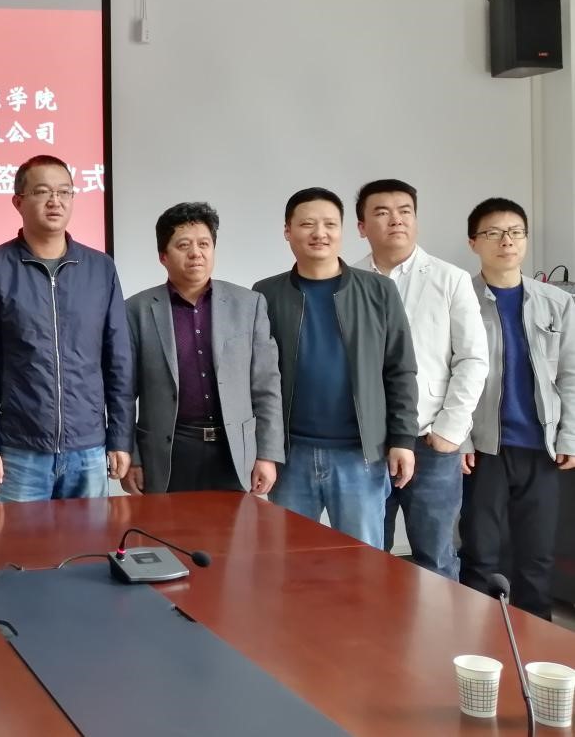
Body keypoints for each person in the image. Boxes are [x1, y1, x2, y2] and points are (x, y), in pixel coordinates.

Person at [252, 187, 417, 549]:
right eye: (307, 224)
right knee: (289, 561)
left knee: (363, 562)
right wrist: (264, 449)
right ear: (287, 231)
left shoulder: (379, 291)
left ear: (343, 230)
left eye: (329, 224)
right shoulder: (265, 294)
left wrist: (403, 439)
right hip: (291, 456)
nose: (320, 233)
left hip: (360, 455)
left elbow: (400, 369)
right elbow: (259, 378)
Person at [0, 155, 134, 502]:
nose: (55, 201)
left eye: (64, 192)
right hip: (18, 449)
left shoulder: (100, 268)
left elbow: (118, 359)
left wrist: (120, 436)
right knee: (18, 539)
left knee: (91, 539)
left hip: (89, 447)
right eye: (42, 191)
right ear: (18, 201)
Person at [353, 179, 487, 578]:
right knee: (364, 554)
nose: (396, 220)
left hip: (430, 439)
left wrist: (451, 431)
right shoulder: (349, 280)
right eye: (382, 212)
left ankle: (441, 625)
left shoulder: (450, 278)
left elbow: (473, 359)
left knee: (436, 557)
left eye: (405, 211)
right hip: (366, 441)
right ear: (361, 226)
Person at [461, 198, 575, 619]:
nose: (506, 241)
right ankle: (477, 641)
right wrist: (460, 439)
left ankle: (536, 646)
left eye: (515, 232)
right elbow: (449, 374)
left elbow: (570, 374)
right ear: (474, 242)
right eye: (493, 233)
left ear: (525, 239)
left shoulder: (556, 302)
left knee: (537, 557)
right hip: (484, 449)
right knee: (480, 554)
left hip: (540, 448)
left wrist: (570, 436)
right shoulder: (460, 298)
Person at [122, 202, 282, 495]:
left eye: (204, 244)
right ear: (163, 256)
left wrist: (267, 454)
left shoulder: (248, 304)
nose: (196, 253)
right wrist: (133, 455)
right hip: (168, 452)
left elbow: (266, 385)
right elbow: (123, 393)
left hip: (235, 452)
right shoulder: (136, 310)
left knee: (235, 526)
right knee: (168, 526)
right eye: (184, 245)